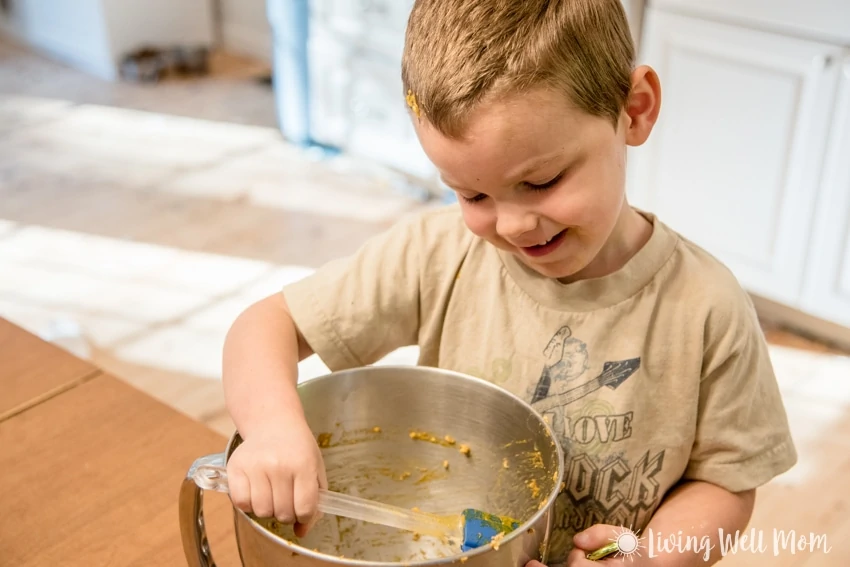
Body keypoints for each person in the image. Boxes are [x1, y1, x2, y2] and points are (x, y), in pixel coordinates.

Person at [221, 0, 797, 565]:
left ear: (636, 110)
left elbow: (726, 486)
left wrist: (641, 554)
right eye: (473, 194)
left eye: (542, 181)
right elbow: (265, 327)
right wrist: (271, 430)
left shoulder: (707, 308)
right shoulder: (437, 253)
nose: (513, 224)